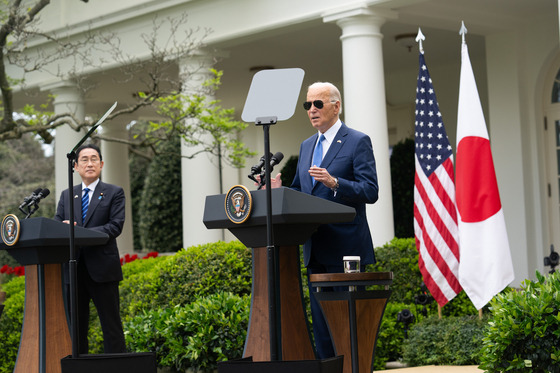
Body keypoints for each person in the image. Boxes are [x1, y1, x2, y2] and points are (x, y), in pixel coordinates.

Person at [269, 82, 379, 359]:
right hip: (315, 248)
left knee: (347, 327)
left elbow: (370, 191)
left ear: (336, 106)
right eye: (308, 105)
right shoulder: (307, 145)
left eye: (318, 104)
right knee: (323, 330)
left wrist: (335, 182)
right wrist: (279, 189)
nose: (312, 110)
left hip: (346, 249)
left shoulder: (357, 140)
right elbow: (301, 191)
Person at [55, 143, 127, 354]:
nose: (89, 163)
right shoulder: (67, 194)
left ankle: (117, 368)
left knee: (111, 326)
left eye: (94, 159)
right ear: (76, 166)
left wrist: (80, 233)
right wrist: (64, 228)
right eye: (84, 159)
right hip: (73, 269)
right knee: (76, 328)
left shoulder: (114, 192)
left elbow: (115, 226)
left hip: (103, 270)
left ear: (101, 164)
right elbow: (58, 223)